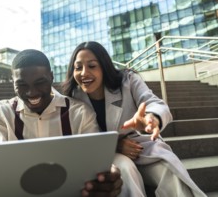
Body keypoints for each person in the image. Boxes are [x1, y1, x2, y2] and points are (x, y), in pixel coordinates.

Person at [62, 41, 207, 197]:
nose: (84, 73)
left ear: (104, 67)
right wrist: (115, 145)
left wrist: (151, 118)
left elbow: (153, 103)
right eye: (78, 67)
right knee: (125, 170)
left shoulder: (128, 80)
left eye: (92, 66)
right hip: (107, 156)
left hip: (141, 147)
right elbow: (82, 143)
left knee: (168, 172)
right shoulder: (72, 98)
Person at [0, 49, 123, 197]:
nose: (32, 92)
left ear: (51, 76)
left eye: (40, 82)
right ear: (13, 82)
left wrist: (105, 177)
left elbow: (94, 160)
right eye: (22, 85)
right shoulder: (1, 113)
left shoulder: (80, 113)